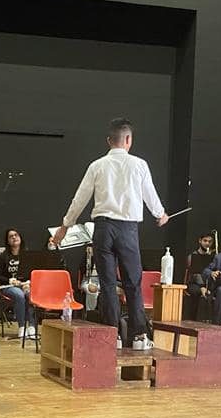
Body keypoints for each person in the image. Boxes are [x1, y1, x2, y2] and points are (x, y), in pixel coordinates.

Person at [53, 117, 169, 349]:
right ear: (129, 140)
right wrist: (160, 214)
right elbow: (150, 194)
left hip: (103, 229)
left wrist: (65, 226)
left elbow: (80, 198)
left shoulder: (97, 165)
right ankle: (139, 336)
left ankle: (112, 336)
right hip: (127, 229)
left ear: (109, 141)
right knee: (132, 283)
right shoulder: (139, 164)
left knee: (106, 283)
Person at [0, 228, 35, 339]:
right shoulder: (3, 256)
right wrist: (10, 280)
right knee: (19, 295)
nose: (14, 237)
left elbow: (33, 272)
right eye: (11, 236)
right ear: (7, 241)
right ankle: (22, 327)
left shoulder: (27, 255)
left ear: (20, 237)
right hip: (8, 286)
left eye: (16, 235)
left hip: (24, 285)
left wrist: (28, 282)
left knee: (30, 294)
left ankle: (31, 326)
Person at [183, 231, 217, 321]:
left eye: (210, 241)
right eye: (205, 241)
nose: (207, 243)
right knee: (196, 292)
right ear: (200, 241)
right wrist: (202, 287)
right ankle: (193, 320)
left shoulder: (214, 257)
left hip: (209, 283)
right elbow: (195, 274)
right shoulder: (193, 256)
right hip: (194, 283)